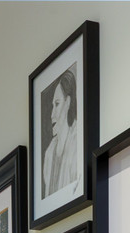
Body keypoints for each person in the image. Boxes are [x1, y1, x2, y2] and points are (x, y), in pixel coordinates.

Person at [42, 69, 82, 197]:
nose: (52, 115)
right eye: (52, 106)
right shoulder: (49, 154)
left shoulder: (77, 145)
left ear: (68, 102)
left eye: (57, 104)